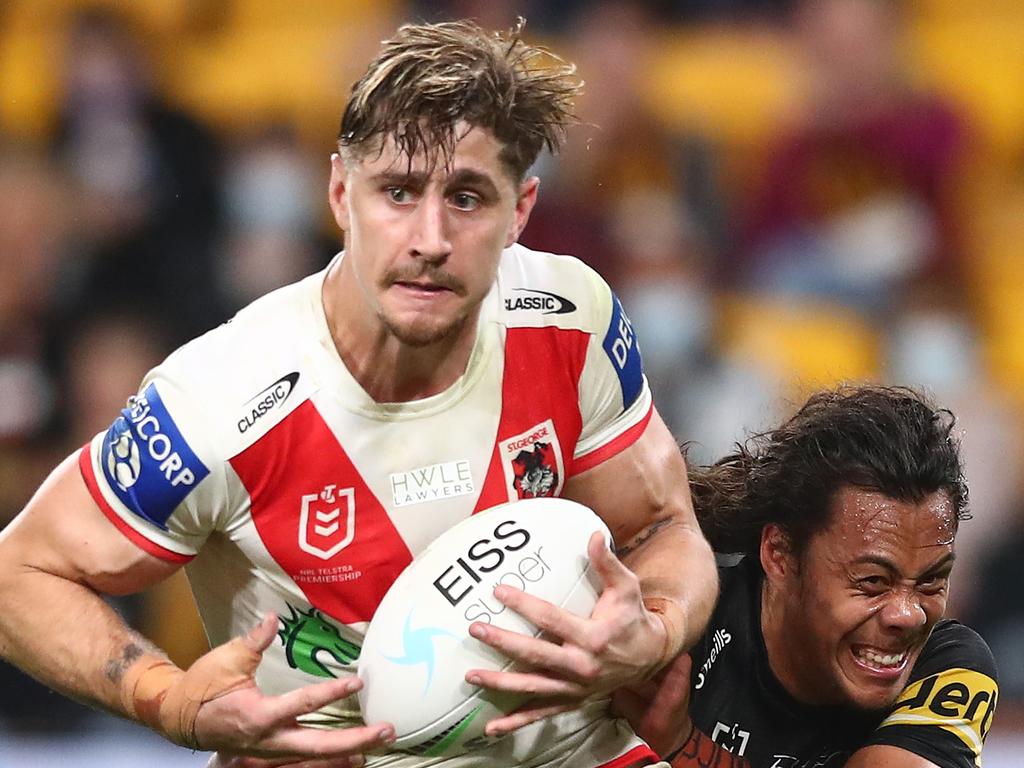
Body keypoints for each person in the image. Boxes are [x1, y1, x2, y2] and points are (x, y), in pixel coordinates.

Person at [0, 18, 718, 768]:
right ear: (341, 192)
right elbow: (19, 576)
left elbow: (665, 529)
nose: (430, 238)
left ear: (522, 211)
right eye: (398, 192)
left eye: (468, 197)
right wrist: (168, 699)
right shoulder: (216, 399)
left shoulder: (572, 314)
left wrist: (658, 626)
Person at [615, 385, 999, 768]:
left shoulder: (950, 670)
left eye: (931, 582)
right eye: (872, 582)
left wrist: (682, 747)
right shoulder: (679, 627)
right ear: (779, 555)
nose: (908, 615)